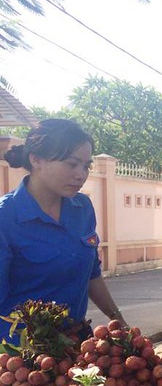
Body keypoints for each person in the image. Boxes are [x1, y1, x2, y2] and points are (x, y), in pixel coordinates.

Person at [0, 119, 124, 342]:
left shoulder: (82, 209)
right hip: (20, 357)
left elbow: (91, 274)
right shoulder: (6, 218)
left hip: (75, 345)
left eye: (86, 166)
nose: (81, 174)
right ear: (36, 159)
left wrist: (119, 322)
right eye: (71, 163)